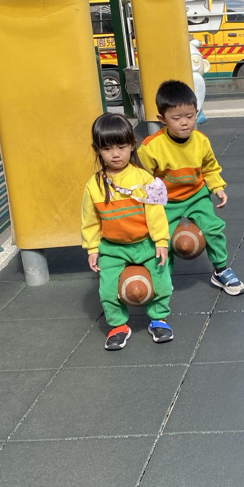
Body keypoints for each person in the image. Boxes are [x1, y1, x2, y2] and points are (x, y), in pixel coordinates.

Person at [138, 80, 244, 295]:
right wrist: (146, 205)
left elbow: (209, 167)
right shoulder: (150, 147)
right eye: (176, 118)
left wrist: (217, 187)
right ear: (162, 119)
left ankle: (221, 270)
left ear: (197, 113)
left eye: (189, 116)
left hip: (196, 195)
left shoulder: (201, 141)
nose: (184, 123)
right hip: (167, 200)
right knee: (161, 236)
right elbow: (143, 178)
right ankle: (163, 276)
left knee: (212, 228)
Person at [82, 113, 173, 350]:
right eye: (107, 148)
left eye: (121, 147)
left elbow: (155, 214)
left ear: (132, 145)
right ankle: (118, 326)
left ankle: (158, 318)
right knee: (107, 290)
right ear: (96, 150)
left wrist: (161, 242)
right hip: (112, 248)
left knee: (162, 282)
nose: (115, 154)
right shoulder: (94, 185)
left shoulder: (143, 178)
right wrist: (92, 248)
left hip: (145, 243)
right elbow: (90, 220)